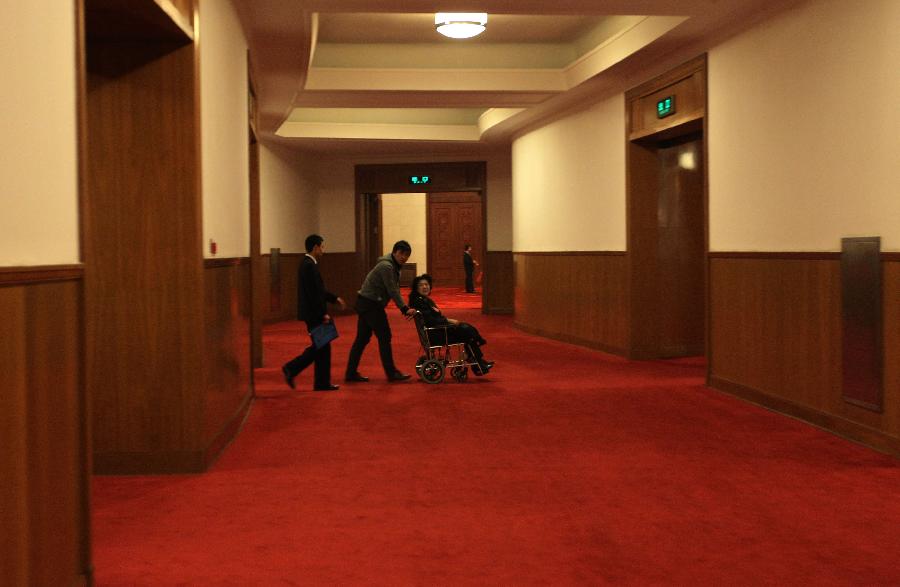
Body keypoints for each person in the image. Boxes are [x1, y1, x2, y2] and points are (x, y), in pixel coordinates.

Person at [344, 240, 417, 383]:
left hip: (367, 303)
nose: (404, 257)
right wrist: (404, 308)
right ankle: (392, 373)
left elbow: (392, 290)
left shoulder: (392, 265)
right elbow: (393, 290)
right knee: (384, 336)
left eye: (407, 255)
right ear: (394, 252)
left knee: (362, 339)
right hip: (371, 304)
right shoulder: (387, 266)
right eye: (401, 253)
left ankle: (350, 373)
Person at [282, 234, 346, 391]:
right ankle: (293, 368)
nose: (323, 249)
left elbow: (318, 291)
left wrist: (334, 298)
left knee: (321, 346)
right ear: (315, 247)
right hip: (314, 314)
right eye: (322, 246)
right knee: (321, 346)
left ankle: (319, 381)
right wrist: (322, 313)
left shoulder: (308, 264)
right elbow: (314, 293)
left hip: (311, 313)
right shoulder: (309, 265)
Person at [409, 273, 494, 375]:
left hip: (437, 330)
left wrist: (447, 320)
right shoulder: (419, 302)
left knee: (466, 329)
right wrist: (449, 321)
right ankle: (478, 362)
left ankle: (478, 362)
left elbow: (435, 318)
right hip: (436, 333)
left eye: (426, 284)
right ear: (416, 288)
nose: (425, 287)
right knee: (466, 331)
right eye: (421, 285)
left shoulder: (425, 300)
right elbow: (431, 320)